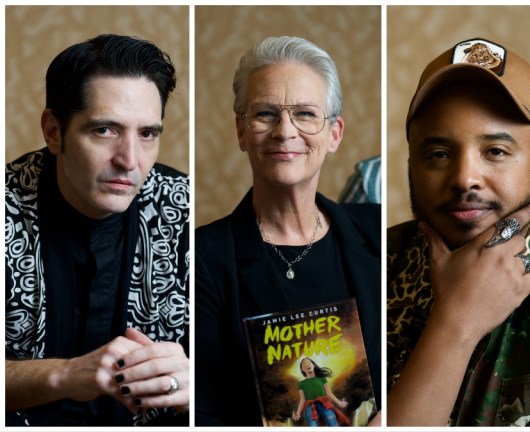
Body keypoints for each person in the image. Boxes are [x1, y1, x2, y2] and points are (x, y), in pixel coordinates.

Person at [386, 37, 530, 426]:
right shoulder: (371, 267)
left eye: (496, 152)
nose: (464, 178)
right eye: (439, 154)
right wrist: (455, 323)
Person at [195, 36, 381, 426]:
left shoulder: (379, 233)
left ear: (334, 133)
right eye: (265, 114)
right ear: (241, 132)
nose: (285, 130)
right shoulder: (203, 258)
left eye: (305, 114)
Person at [5, 34, 190, 426]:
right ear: (53, 131)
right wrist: (63, 376)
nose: (130, 161)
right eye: (105, 130)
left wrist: (197, 386)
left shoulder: (187, 210)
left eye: (147, 134)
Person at [292, 358, 349, 426]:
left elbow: (329, 393)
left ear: (313, 365)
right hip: (310, 407)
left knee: (333, 424)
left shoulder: (322, 379)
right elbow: (302, 399)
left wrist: (339, 403)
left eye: (309, 363)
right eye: (304, 364)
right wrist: (298, 413)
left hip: (325, 404)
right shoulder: (302, 384)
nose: (307, 364)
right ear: (302, 369)